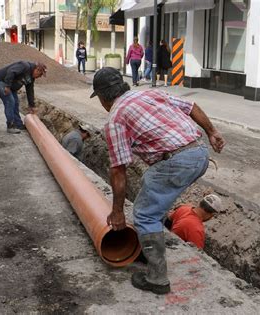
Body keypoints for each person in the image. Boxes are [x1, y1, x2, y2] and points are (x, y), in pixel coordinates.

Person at [90, 67, 225, 295]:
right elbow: (191, 107)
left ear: (103, 97)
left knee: (144, 213)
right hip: (200, 154)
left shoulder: (115, 119)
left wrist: (117, 212)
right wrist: (212, 131)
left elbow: (119, 170)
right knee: (152, 184)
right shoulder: (149, 94)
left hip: (177, 160)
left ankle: (157, 279)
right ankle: (147, 245)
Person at [0, 61, 47, 134]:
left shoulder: (31, 78)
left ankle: (18, 124)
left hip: (11, 86)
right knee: (10, 101)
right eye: (40, 75)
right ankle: (10, 126)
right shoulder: (24, 66)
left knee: (16, 103)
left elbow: (30, 91)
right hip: (0, 81)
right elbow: (11, 72)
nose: (39, 77)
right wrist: (7, 86)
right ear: (37, 70)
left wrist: (31, 105)